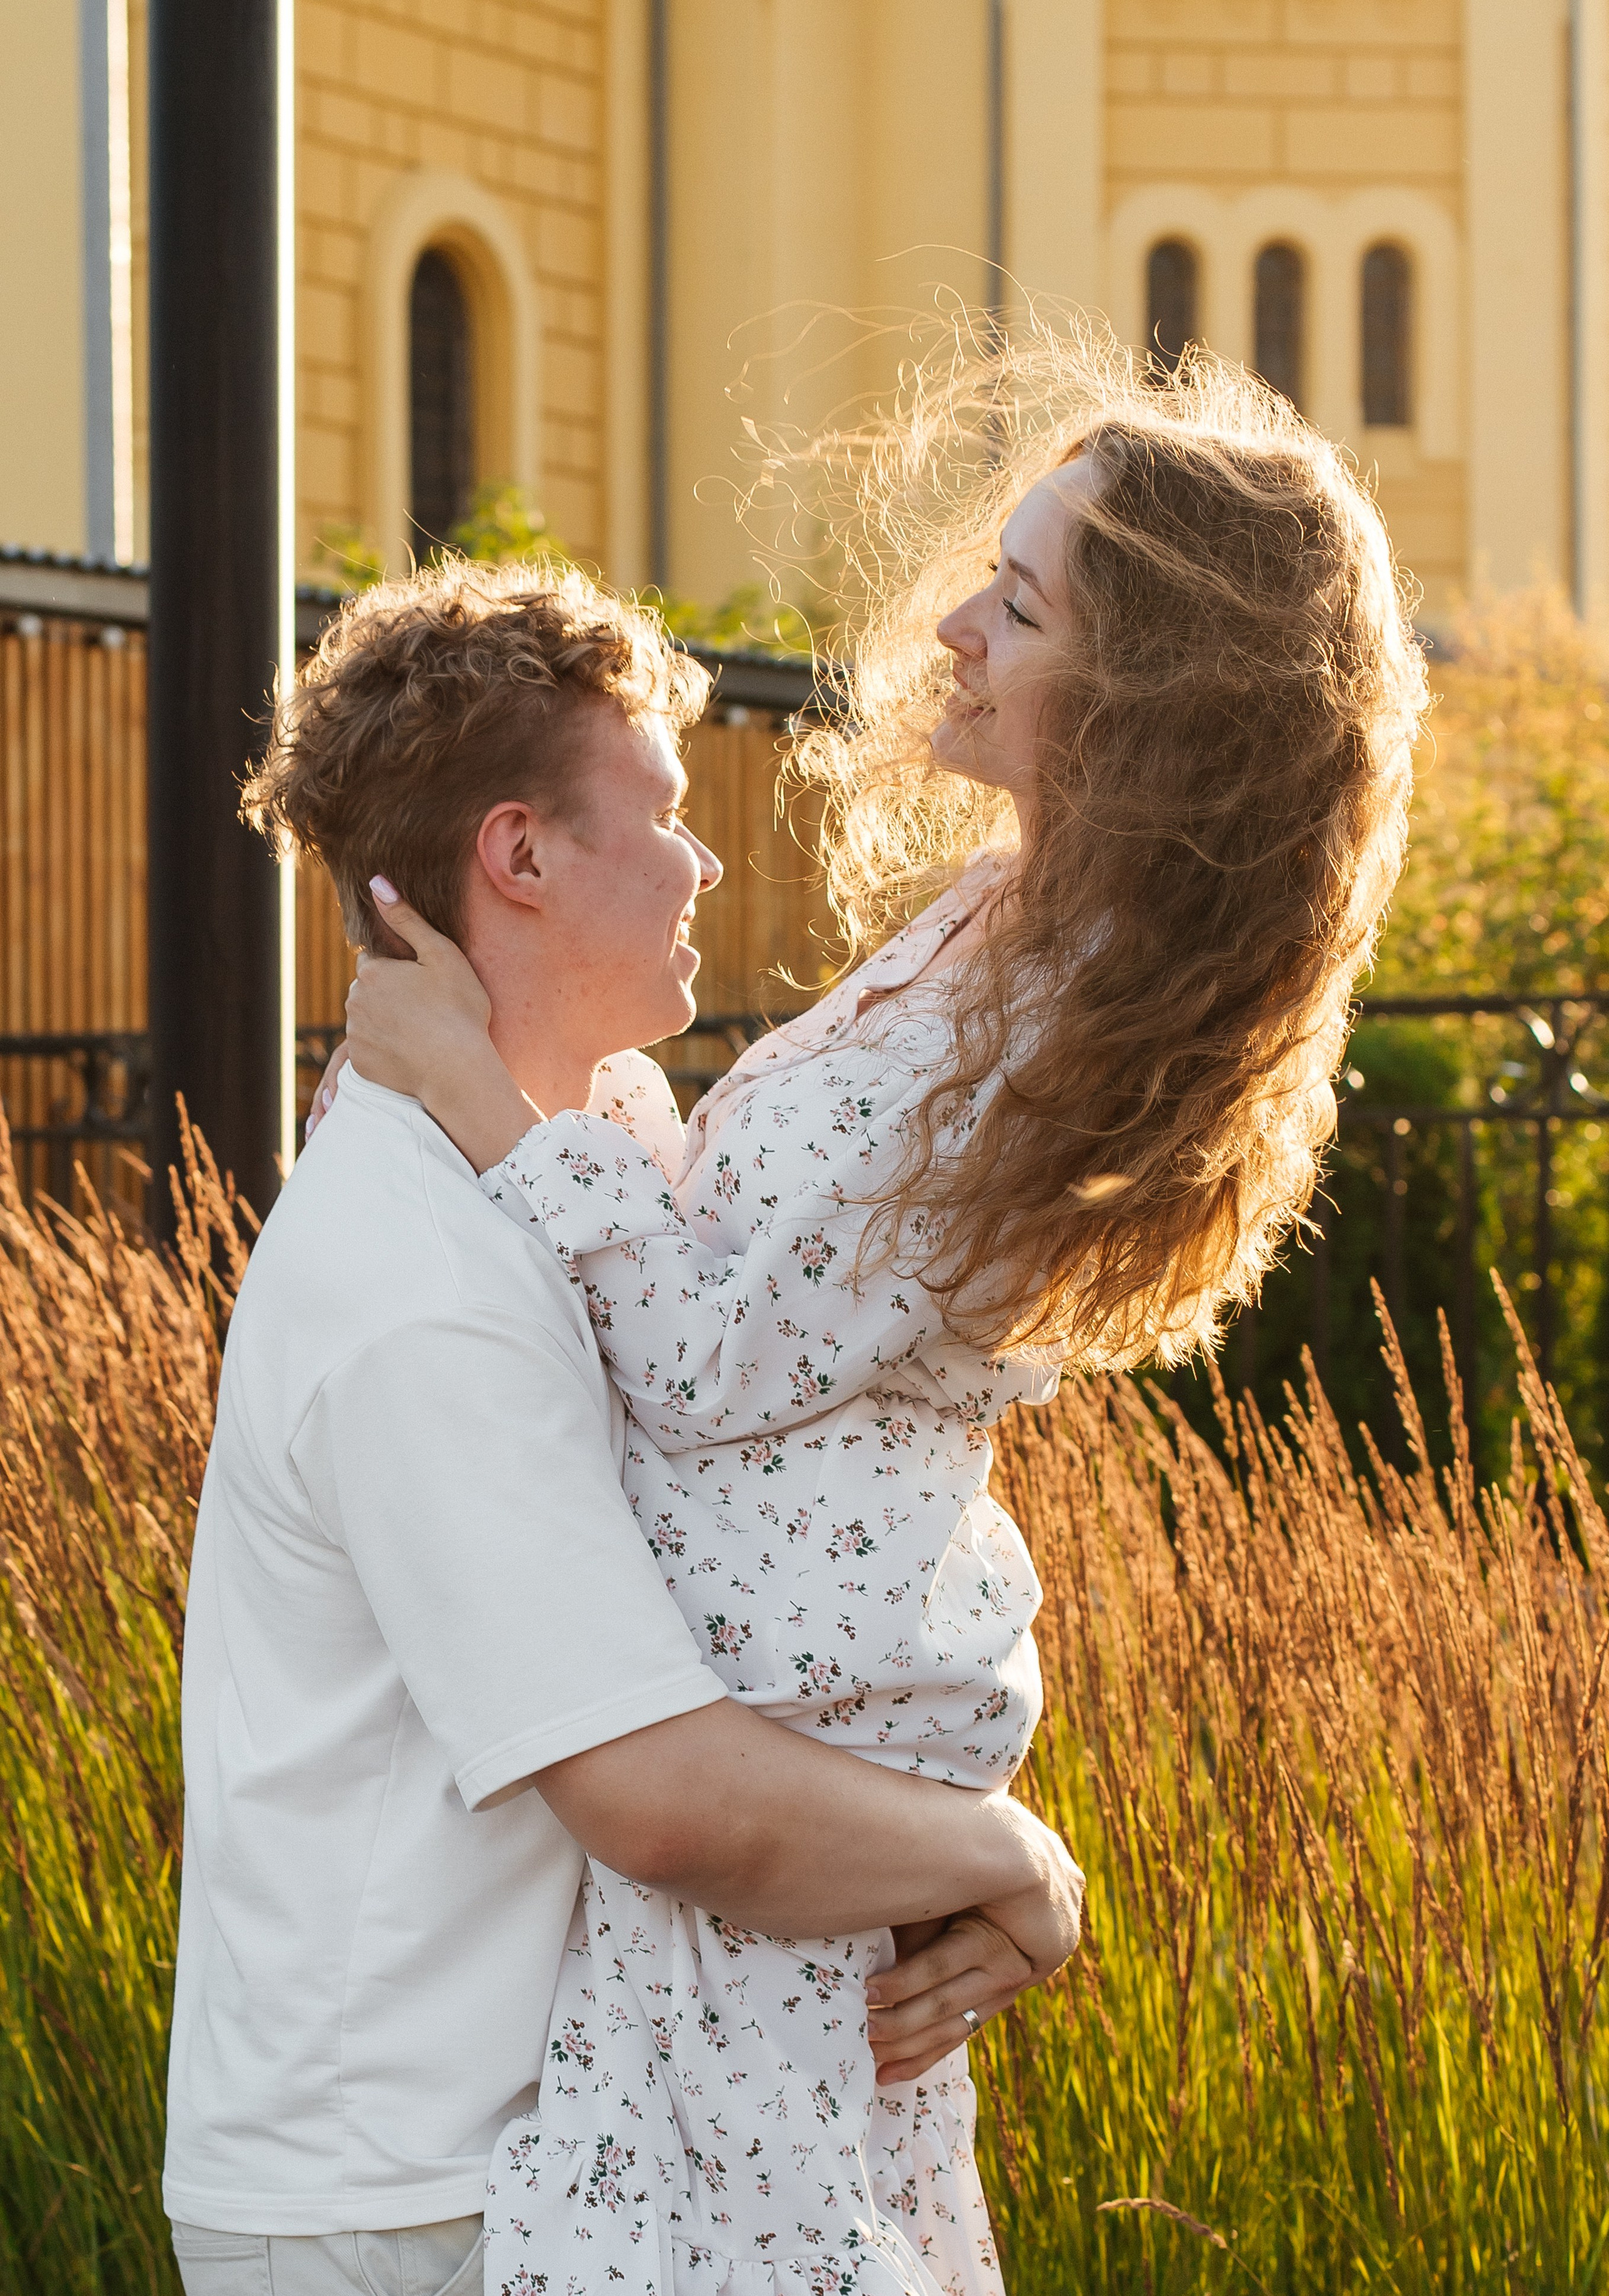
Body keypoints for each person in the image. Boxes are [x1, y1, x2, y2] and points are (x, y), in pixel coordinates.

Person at [335, 341, 1427, 2294]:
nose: (955, 623)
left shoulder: (1040, 1031)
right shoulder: (991, 928)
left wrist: (490, 1094)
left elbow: (699, 1361)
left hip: (794, 1710)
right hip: (782, 1706)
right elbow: (752, 1289)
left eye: (1019, 603)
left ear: (1154, 699)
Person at [163, 562, 1086, 2296]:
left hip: (493, 2157)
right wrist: (1012, 1861)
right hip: (390, 2200)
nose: (708, 860)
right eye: (661, 814)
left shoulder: (547, 1177)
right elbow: (659, 1797)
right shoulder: (425, 1274)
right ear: (520, 855)